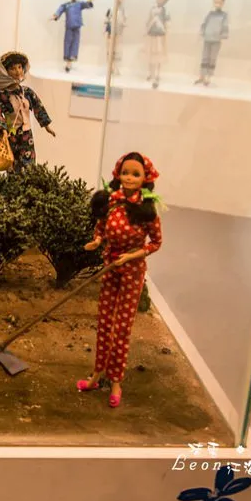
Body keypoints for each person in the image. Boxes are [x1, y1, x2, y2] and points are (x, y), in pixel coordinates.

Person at [78, 152, 163, 408]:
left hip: (132, 272)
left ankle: (116, 381)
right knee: (105, 322)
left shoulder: (146, 209)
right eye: (125, 172)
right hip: (110, 268)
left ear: (145, 178)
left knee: (122, 327)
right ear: (118, 174)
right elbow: (101, 227)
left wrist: (131, 256)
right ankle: (97, 374)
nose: (129, 178)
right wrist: (97, 241)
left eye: (135, 174)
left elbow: (156, 243)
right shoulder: (112, 201)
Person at [0, 51, 55, 171]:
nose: (17, 71)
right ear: (5, 72)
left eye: (20, 67)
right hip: (11, 135)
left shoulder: (27, 92)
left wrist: (46, 125)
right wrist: (2, 128)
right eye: (12, 68)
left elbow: (38, 106)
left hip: (27, 135)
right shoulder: (1, 95)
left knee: (29, 166)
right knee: (12, 165)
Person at [51, 0, 95, 72]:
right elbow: (60, 10)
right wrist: (55, 16)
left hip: (77, 26)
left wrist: (89, 1)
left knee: (75, 43)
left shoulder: (80, 4)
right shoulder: (66, 5)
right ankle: (67, 62)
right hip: (69, 26)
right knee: (67, 43)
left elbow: (87, 5)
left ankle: (70, 62)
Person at [195, 0, 229, 87]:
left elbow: (225, 26)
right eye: (216, 2)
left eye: (219, 2)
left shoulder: (224, 15)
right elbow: (204, 23)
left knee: (212, 58)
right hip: (207, 38)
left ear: (223, 3)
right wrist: (202, 32)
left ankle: (208, 77)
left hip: (216, 39)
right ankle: (202, 75)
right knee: (205, 57)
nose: (217, 4)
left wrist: (223, 35)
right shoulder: (210, 14)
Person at [146, 0, 170, 89]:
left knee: (159, 55)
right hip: (152, 34)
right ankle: (150, 73)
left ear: (164, 0)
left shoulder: (165, 11)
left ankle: (157, 74)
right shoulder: (152, 9)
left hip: (160, 35)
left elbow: (167, 23)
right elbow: (149, 20)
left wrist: (166, 31)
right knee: (150, 53)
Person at [104, 0, 129, 77]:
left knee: (117, 50)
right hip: (111, 32)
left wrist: (124, 24)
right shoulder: (111, 8)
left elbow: (125, 20)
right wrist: (106, 29)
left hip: (119, 32)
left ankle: (116, 68)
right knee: (110, 50)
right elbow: (106, 19)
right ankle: (111, 68)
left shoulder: (124, 9)